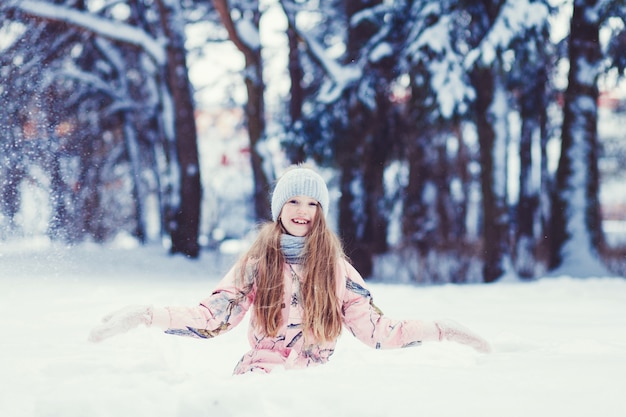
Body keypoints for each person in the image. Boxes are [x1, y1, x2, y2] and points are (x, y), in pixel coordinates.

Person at [89, 165, 491, 374]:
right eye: (294, 202)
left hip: (310, 389)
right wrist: (144, 315)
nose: (303, 212)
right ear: (279, 207)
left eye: (312, 204)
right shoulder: (256, 263)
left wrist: (444, 330)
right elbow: (213, 317)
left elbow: (380, 334)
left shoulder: (336, 269)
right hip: (260, 381)